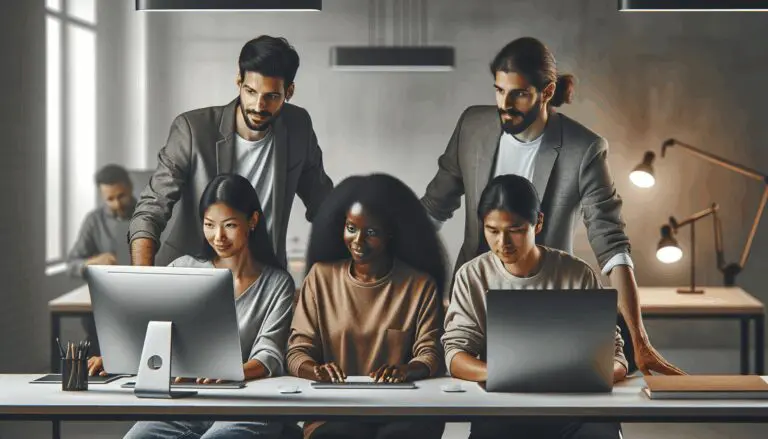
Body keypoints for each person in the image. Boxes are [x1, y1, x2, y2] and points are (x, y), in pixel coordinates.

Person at [421, 36, 683, 376]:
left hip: (549, 301)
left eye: (519, 93)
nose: (505, 103)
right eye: (499, 90)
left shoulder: (583, 148)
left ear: (546, 92)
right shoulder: (472, 126)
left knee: (554, 396)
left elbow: (612, 245)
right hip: (480, 300)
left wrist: (640, 341)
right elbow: (432, 210)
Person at [90, 174, 296, 439]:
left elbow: (269, 354)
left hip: (248, 405)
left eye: (229, 225)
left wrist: (229, 371)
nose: (218, 236)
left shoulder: (277, 283)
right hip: (188, 402)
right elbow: (152, 331)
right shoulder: (183, 268)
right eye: (209, 225)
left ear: (253, 221)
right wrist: (120, 356)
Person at [444, 174, 627, 439]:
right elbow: (455, 355)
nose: (502, 243)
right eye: (492, 230)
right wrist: (508, 375)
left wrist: (591, 376)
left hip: (576, 411)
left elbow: (616, 357)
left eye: (515, 230)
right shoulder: (471, 276)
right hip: (504, 410)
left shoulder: (577, 273)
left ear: (537, 223)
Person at [129, 35, 333, 269]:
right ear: (238, 81)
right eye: (251, 91)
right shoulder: (193, 129)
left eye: (272, 96)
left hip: (263, 279)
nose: (259, 106)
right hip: (192, 273)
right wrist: (142, 280)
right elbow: (151, 209)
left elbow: (324, 206)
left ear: (289, 91)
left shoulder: (298, 126)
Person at [286, 174, 446, 439]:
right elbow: (297, 351)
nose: (358, 241)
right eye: (351, 228)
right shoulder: (320, 277)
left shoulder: (419, 285)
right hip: (334, 412)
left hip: (402, 411)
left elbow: (431, 353)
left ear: (390, 233)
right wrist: (314, 370)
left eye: (371, 232)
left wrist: (407, 369)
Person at [66, 164, 136, 355]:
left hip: (141, 293)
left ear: (130, 187)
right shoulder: (93, 220)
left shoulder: (149, 214)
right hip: (104, 301)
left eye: (121, 196)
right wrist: (93, 261)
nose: (117, 204)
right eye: (110, 199)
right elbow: (72, 264)